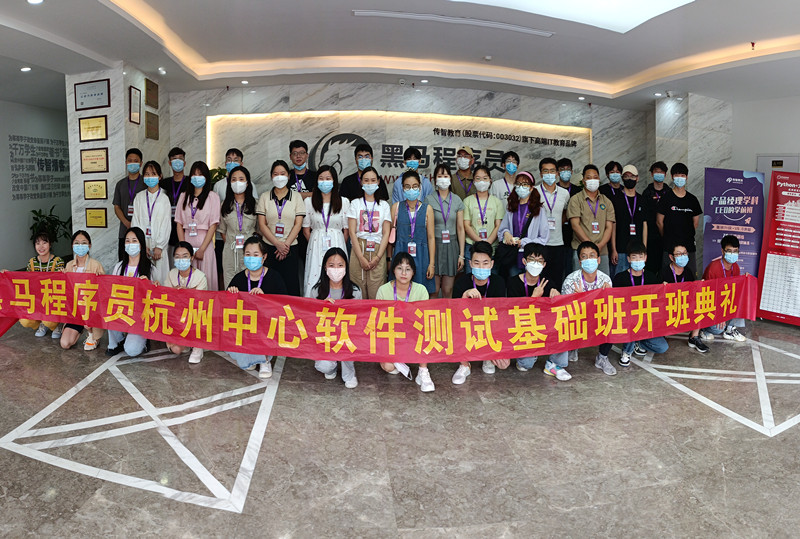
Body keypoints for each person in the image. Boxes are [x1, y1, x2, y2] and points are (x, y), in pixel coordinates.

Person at [226, 236, 288, 378]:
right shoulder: (238, 278)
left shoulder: (274, 277)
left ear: (264, 257)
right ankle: (252, 357)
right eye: (248, 255)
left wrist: (265, 299)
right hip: (246, 325)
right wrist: (231, 294)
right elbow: (227, 309)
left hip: (268, 325)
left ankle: (264, 360)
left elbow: (284, 305)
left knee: (262, 327)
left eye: (255, 255)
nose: (251, 258)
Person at [451, 241, 507, 383]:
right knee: (455, 327)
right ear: (470, 264)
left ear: (492, 264)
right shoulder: (461, 283)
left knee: (504, 363)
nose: (481, 267)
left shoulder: (499, 283)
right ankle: (464, 364)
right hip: (468, 326)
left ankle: (488, 357)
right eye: (477, 263)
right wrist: (464, 296)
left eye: (485, 263)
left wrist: (502, 350)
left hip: (489, 327)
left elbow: (502, 315)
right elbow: (454, 315)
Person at [505, 243, 564, 377]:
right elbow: (512, 313)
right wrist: (533, 298)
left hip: (543, 326)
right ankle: (530, 354)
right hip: (523, 328)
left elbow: (555, 311)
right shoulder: (513, 282)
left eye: (540, 261)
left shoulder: (548, 283)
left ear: (544, 264)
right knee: (526, 365)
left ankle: (553, 363)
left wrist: (558, 298)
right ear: (524, 261)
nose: (535, 264)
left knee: (562, 325)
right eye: (532, 259)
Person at [376, 253, 432, 391]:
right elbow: (379, 321)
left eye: (408, 269)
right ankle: (401, 360)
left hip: (414, 334)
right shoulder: (383, 290)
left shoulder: (421, 290)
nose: (403, 273)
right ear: (393, 270)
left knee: (426, 330)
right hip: (392, 336)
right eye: (399, 268)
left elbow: (424, 319)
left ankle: (423, 371)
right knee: (388, 366)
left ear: (413, 272)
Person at [559, 241, 616, 376]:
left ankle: (602, 358)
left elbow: (609, 307)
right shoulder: (571, 280)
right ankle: (573, 347)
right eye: (584, 256)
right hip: (577, 318)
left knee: (613, 320)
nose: (588, 259)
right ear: (580, 262)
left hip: (596, 317)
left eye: (592, 256)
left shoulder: (605, 280)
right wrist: (578, 299)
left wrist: (608, 295)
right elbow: (564, 310)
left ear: (598, 260)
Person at [307, 247, 361, 388]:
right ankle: (332, 366)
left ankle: (349, 373)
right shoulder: (316, 291)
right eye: (331, 265)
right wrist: (322, 308)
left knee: (346, 341)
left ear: (346, 267)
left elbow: (359, 320)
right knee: (324, 366)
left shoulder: (355, 291)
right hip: (326, 336)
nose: (336, 269)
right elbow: (311, 320)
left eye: (340, 265)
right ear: (325, 267)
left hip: (346, 336)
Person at [611, 241, 668, 366]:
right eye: (634, 257)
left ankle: (639, 344)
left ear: (645, 258)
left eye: (640, 257)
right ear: (628, 259)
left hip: (647, 322)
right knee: (632, 320)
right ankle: (627, 351)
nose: (638, 260)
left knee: (662, 347)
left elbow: (658, 301)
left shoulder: (651, 277)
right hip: (628, 321)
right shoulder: (620, 278)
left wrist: (664, 289)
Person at [256, 160, 306, 296]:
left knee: (291, 285)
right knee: (270, 286)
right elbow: (262, 225)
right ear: (271, 176)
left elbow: (298, 224)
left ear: (288, 176)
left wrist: (285, 245)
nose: (279, 177)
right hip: (269, 247)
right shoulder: (264, 197)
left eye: (282, 174)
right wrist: (277, 244)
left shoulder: (296, 197)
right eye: (275, 174)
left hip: (290, 248)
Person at [303, 165, 350, 296]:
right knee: (315, 276)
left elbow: (346, 230)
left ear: (334, 181)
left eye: (328, 178)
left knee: (337, 274)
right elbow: (306, 229)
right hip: (316, 245)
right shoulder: (309, 202)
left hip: (337, 242)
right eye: (321, 178)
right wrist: (315, 242)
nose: (324, 182)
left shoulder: (344, 202)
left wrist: (340, 245)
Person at [106, 227, 152, 357]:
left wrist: (149, 285)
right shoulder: (119, 267)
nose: (130, 244)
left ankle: (144, 339)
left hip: (139, 316)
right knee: (109, 311)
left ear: (141, 245)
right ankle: (117, 341)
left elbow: (157, 296)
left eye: (134, 241)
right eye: (127, 241)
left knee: (131, 351)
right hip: (122, 311)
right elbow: (110, 290)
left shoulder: (150, 268)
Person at [347, 166, 391, 299]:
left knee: (376, 293)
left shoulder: (384, 205)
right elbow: (352, 232)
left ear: (378, 182)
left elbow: (386, 233)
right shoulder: (355, 203)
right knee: (358, 291)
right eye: (366, 180)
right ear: (361, 182)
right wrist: (361, 258)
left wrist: (377, 258)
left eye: (373, 180)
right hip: (358, 249)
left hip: (378, 249)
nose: (369, 183)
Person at [175, 161, 221, 291]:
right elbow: (179, 223)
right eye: (194, 174)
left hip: (204, 245)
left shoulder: (213, 197)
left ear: (206, 177)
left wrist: (202, 249)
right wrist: (183, 249)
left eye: (200, 175)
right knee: (187, 280)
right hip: (187, 241)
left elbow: (213, 225)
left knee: (206, 280)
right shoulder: (183, 196)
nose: (197, 177)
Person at [496, 171, 549, 279]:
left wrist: (525, 242)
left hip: (532, 256)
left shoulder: (538, 209)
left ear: (531, 188)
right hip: (513, 254)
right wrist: (506, 233)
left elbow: (544, 237)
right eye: (518, 184)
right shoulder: (511, 207)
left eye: (525, 184)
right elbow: (503, 228)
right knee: (514, 281)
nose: (521, 187)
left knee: (531, 282)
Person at [163, 242, 208, 364]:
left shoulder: (200, 276)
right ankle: (186, 344)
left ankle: (198, 346)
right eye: (177, 257)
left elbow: (201, 302)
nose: (181, 260)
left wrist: (185, 293)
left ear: (191, 258)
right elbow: (165, 297)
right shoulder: (171, 274)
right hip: (176, 316)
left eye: (185, 256)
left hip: (193, 316)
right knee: (176, 349)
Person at [660, 242, 709, 353]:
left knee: (700, 301)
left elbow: (692, 292)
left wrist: (699, 286)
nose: (682, 256)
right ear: (671, 257)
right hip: (669, 307)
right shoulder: (664, 272)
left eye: (684, 253)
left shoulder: (688, 272)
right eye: (679, 254)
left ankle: (694, 337)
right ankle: (661, 333)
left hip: (684, 305)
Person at [391, 170, 436, 294]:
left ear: (420, 188)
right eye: (407, 186)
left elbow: (431, 237)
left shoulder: (427, 209)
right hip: (401, 252)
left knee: (420, 292)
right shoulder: (396, 207)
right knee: (400, 291)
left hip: (422, 255)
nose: (411, 189)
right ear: (402, 188)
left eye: (415, 186)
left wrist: (431, 263)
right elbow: (390, 235)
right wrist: (389, 259)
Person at [60, 230, 105, 351]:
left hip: (90, 310)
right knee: (65, 343)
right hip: (75, 311)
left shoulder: (96, 265)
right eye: (77, 243)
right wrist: (62, 277)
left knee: (89, 326)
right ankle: (78, 330)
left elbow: (103, 293)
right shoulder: (69, 265)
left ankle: (92, 334)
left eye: (84, 243)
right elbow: (65, 292)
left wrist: (100, 279)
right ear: (72, 245)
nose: (80, 246)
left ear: (89, 245)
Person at [567, 164, 615, 276]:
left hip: (602, 251)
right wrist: (590, 247)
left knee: (602, 283)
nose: (592, 180)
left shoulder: (606, 201)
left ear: (599, 180)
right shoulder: (576, 199)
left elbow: (609, 227)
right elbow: (575, 225)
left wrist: (600, 246)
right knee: (580, 282)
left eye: (595, 177)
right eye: (588, 177)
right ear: (583, 180)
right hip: (581, 251)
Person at [425, 164, 465, 298]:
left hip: (451, 246)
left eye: (446, 176)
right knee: (434, 290)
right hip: (434, 246)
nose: (443, 179)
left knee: (448, 289)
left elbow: (460, 229)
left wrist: (461, 255)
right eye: (440, 176)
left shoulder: (457, 200)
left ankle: (448, 312)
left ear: (450, 179)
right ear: (435, 179)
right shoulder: (429, 199)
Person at [656, 162, 702, 274]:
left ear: (686, 177)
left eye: (682, 175)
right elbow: (659, 222)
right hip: (670, 246)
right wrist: (667, 236)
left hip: (688, 246)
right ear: (672, 177)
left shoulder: (692, 199)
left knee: (690, 275)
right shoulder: (666, 198)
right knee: (668, 276)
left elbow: (695, 223)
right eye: (677, 175)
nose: (680, 178)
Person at [18, 230, 65, 338]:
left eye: (44, 242)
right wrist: (7, 274)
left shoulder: (58, 261)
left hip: (52, 300)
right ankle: (41, 324)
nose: (41, 246)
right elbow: (27, 281)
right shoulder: (32, 262)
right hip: (36, 300)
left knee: (49, 321)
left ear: (50, 244)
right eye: (38, 243)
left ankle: (56, 325)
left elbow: (59, 285)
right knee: (24, 321)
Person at [701, 235, 748, 342]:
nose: (732, 254)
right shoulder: (713, 267)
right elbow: (708, 295)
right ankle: (703, 329)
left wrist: (745, 280)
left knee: (740, 298)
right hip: (711, 304)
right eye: (729, 251)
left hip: (725, 301)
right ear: (722, 251)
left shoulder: (735, 267)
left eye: (735, 251)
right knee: (718, 329)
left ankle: (730, 329)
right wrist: (719, 315)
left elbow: (734, 291)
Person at [131, 160, 171, 285]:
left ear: (160, 176)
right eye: (147, 174)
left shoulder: (164, 198)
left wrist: (159, 246)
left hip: (159, 249)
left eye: (153, 174)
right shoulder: (139, 197)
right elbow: (135, 221)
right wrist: (142, 244)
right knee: (144, 279)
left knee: (160, 280)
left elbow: (166, 224)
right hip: (143, 247)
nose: (150, 177)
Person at [218, 165, 258, 288]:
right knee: (230, 285)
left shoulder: (255, 204)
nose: (237, 183)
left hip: (250, 253)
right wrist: (232, 242)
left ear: (247, 183)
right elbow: (222, 231)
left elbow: (259, 229)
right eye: (234, 180)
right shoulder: (224, 205)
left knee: (250, 284)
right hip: (230, 251)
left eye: (241, 179)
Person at [463, 165, 504, 273]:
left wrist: (488, 243)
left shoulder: (497, 202)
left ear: (490, 180)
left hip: (491, 247)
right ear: (473, 181)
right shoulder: (467, 201)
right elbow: (466, 225)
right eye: (478, 178)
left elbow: (498, 225)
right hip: (472, 246)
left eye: (485, 178)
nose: (482, 181)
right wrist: (480, 241)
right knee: (471, 278)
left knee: (491, 279)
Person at [538, 158, 570, 291]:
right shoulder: (534, 192)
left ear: (557, 173)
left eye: (552, 171)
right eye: (546, 171)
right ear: (541, 173)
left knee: (556, 280)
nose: (549, 174)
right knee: (540, 280)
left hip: (558, 243)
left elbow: (565, 213)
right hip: (540, 243)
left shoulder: (564, 193)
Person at [609, 164, 647, 277]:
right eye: (626, 176)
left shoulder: (642, 199)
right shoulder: (615, 199)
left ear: (637, 178)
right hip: (620, 248)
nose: (629, 179)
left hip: (637, 250)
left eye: (632, 176)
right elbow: (613, 225)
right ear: (622, 178)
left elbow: (645, 225)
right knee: (620, 279)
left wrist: (644, 249)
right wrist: (613, 249)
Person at [112, 148, 145, 260]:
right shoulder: (120, 184)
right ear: (126, 162)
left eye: (136, 161)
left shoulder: (145, 182)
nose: (132, 163)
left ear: (141, 163)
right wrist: (127, 223)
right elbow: (116, 207)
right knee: (124, 261)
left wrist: (135, 224)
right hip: (124, 231)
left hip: (142, 230)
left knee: (141, 262)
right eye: (130, 160)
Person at [160, 146, 187, 267]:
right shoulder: (164, 183)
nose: (177, 162)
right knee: (170, 265)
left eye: (180, 159)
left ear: (184, 163)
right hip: (168, 229)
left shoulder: (190, 183)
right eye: (174, 159)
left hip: (185, 229)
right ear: (170, 163)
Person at [557, 157, 582, 275]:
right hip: (557, 235)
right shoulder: (554, 189)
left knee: (571, 269)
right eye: (562, 169)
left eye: (568, 169)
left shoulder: (578, 191)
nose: (565, 172)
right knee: (558, 270)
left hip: (574, 236)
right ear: (558, 172)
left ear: (572, 172)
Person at [643, 161, 668, 273]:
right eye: (656, 172)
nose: (659, 174)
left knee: (665, 267)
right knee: (651, 267)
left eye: (661, 172)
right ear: (652, 174)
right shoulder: (647, 193)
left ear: (665, 174)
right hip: (651, 237)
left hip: (666, 236)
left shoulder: (669, 192)